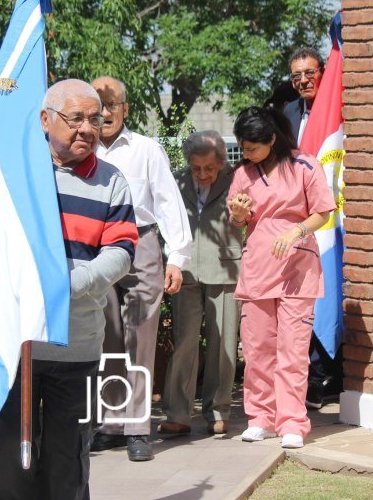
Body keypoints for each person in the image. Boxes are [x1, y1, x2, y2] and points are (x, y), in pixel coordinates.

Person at [0, 79, 137, 500]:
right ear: (46, 120)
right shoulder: (15, 175)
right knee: (9, 463)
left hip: (77, 345)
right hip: (15, 347)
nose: (87, 128)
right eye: (75, 118)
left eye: (95, 119)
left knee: (69, 463)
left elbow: (121, 251)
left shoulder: (112, 181)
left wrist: (64, 286)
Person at [89, 76, 193, 462]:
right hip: (94, 249)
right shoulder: (80, 149)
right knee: (105, 339)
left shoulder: (146, 149)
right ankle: (110, 425)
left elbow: (168, 202)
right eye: (97, 105)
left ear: (125, 109)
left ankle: (137, 428)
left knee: (140, 337)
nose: (104, 112)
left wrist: (177, 257)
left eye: (111, 103)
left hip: (141, 242)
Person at [227, 106, 335, 449]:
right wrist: (239, 215)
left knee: (292, 349)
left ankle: (291, 421)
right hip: (259, 267)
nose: (246, 153)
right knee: (258, 348)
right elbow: (237, 222)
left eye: (251, 147)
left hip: (296, 270)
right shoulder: (243, 174)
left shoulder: (305, 165)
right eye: (242, 147)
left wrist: (297, 231)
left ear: (271, 139)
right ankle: (260, 417)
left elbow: (323, 212)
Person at [158, 131, 243, 437]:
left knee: (223, 346)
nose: (203, 174)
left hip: (225, 267)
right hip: (186, 270)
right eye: (197, 168)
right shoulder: (177, 181)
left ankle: (218, 410)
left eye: (210, 168)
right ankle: (178, 412)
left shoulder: (238, 179)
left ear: (222, 163)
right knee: (184, 342)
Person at [284, 46, 345, 409]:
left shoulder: (338, 104)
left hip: (333, 214)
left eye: (309, 72)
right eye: (296, 76)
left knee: (330, 289)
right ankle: (311, 374)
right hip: (299, 216)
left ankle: (328, 373)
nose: (303, 80)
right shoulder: (288, 114)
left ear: (322, 71)